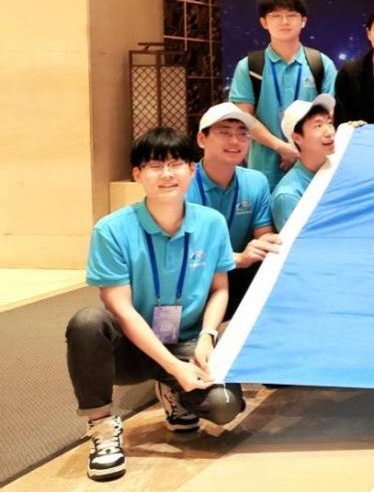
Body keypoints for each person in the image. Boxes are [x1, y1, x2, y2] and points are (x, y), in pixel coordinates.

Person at [66, 128, 244, 481]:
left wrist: (207, 336)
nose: (166, 174)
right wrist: (175, 368)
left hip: (186, 341)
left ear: (192, 170)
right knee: (88, 323)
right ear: (137, 174)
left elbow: (220, 289)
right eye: (154, 165)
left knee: (224, 407)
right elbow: (120, 309)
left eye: (176, 163)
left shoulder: (211, 223)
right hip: (130, 349)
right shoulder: (111, 230)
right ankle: (102, 426)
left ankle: (173, 391)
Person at [229, 0, 337, 190]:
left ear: (303, 21)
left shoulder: (321, 64)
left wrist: (298, 149)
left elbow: (329, 116)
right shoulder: (250, 66)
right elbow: (243, 117)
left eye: (291, 15)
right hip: (263, 170)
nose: (284, 21)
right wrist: (281, 147)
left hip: (312, 169)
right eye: (276, 16)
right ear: (264, 22)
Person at [188, 103, 280, 320]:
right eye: (225, 133)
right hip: (194, 274)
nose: (235, 141)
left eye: (243, 134)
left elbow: (263, 235)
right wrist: (238, 258)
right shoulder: (183, 183)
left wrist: (264, 244)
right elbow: (182, 250)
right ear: (202, 139)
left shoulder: (256, 182)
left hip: (238, 277)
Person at [271, 95, 336, 231]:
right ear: (297, 138)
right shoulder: (288, 195)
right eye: (318, 125)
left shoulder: (341, 169)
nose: (329, 132)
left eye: (329, 123)